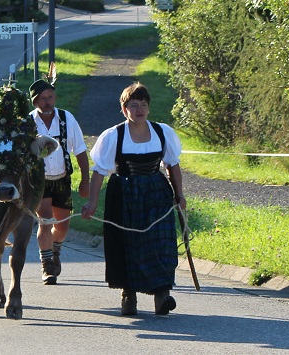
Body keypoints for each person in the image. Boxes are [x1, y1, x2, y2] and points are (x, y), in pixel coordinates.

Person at [81, 82, 186, 315]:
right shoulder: (114, 136)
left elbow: (173, 165)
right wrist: (92, 202)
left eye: (144, 105)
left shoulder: (162, 132)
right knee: (128, 243)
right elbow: (100, 172)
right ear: (124, 109)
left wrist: (179, 195)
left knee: (161, 242)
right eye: (134, 105)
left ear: (149, 108)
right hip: (124, 194)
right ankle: (129, 294)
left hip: (157, 192)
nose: (139, 110)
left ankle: (162, 295)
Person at [29, 79, 90, 285]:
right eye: (43, 99)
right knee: (45, 220)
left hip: (62, 179)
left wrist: (85, 180)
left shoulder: (66, 118)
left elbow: (80, 149)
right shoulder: (28, 123)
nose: (48, 102)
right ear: (35, 102)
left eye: (50, 97)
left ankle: (55, 250)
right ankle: (47, 265)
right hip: (40, 180)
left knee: (62, 227)